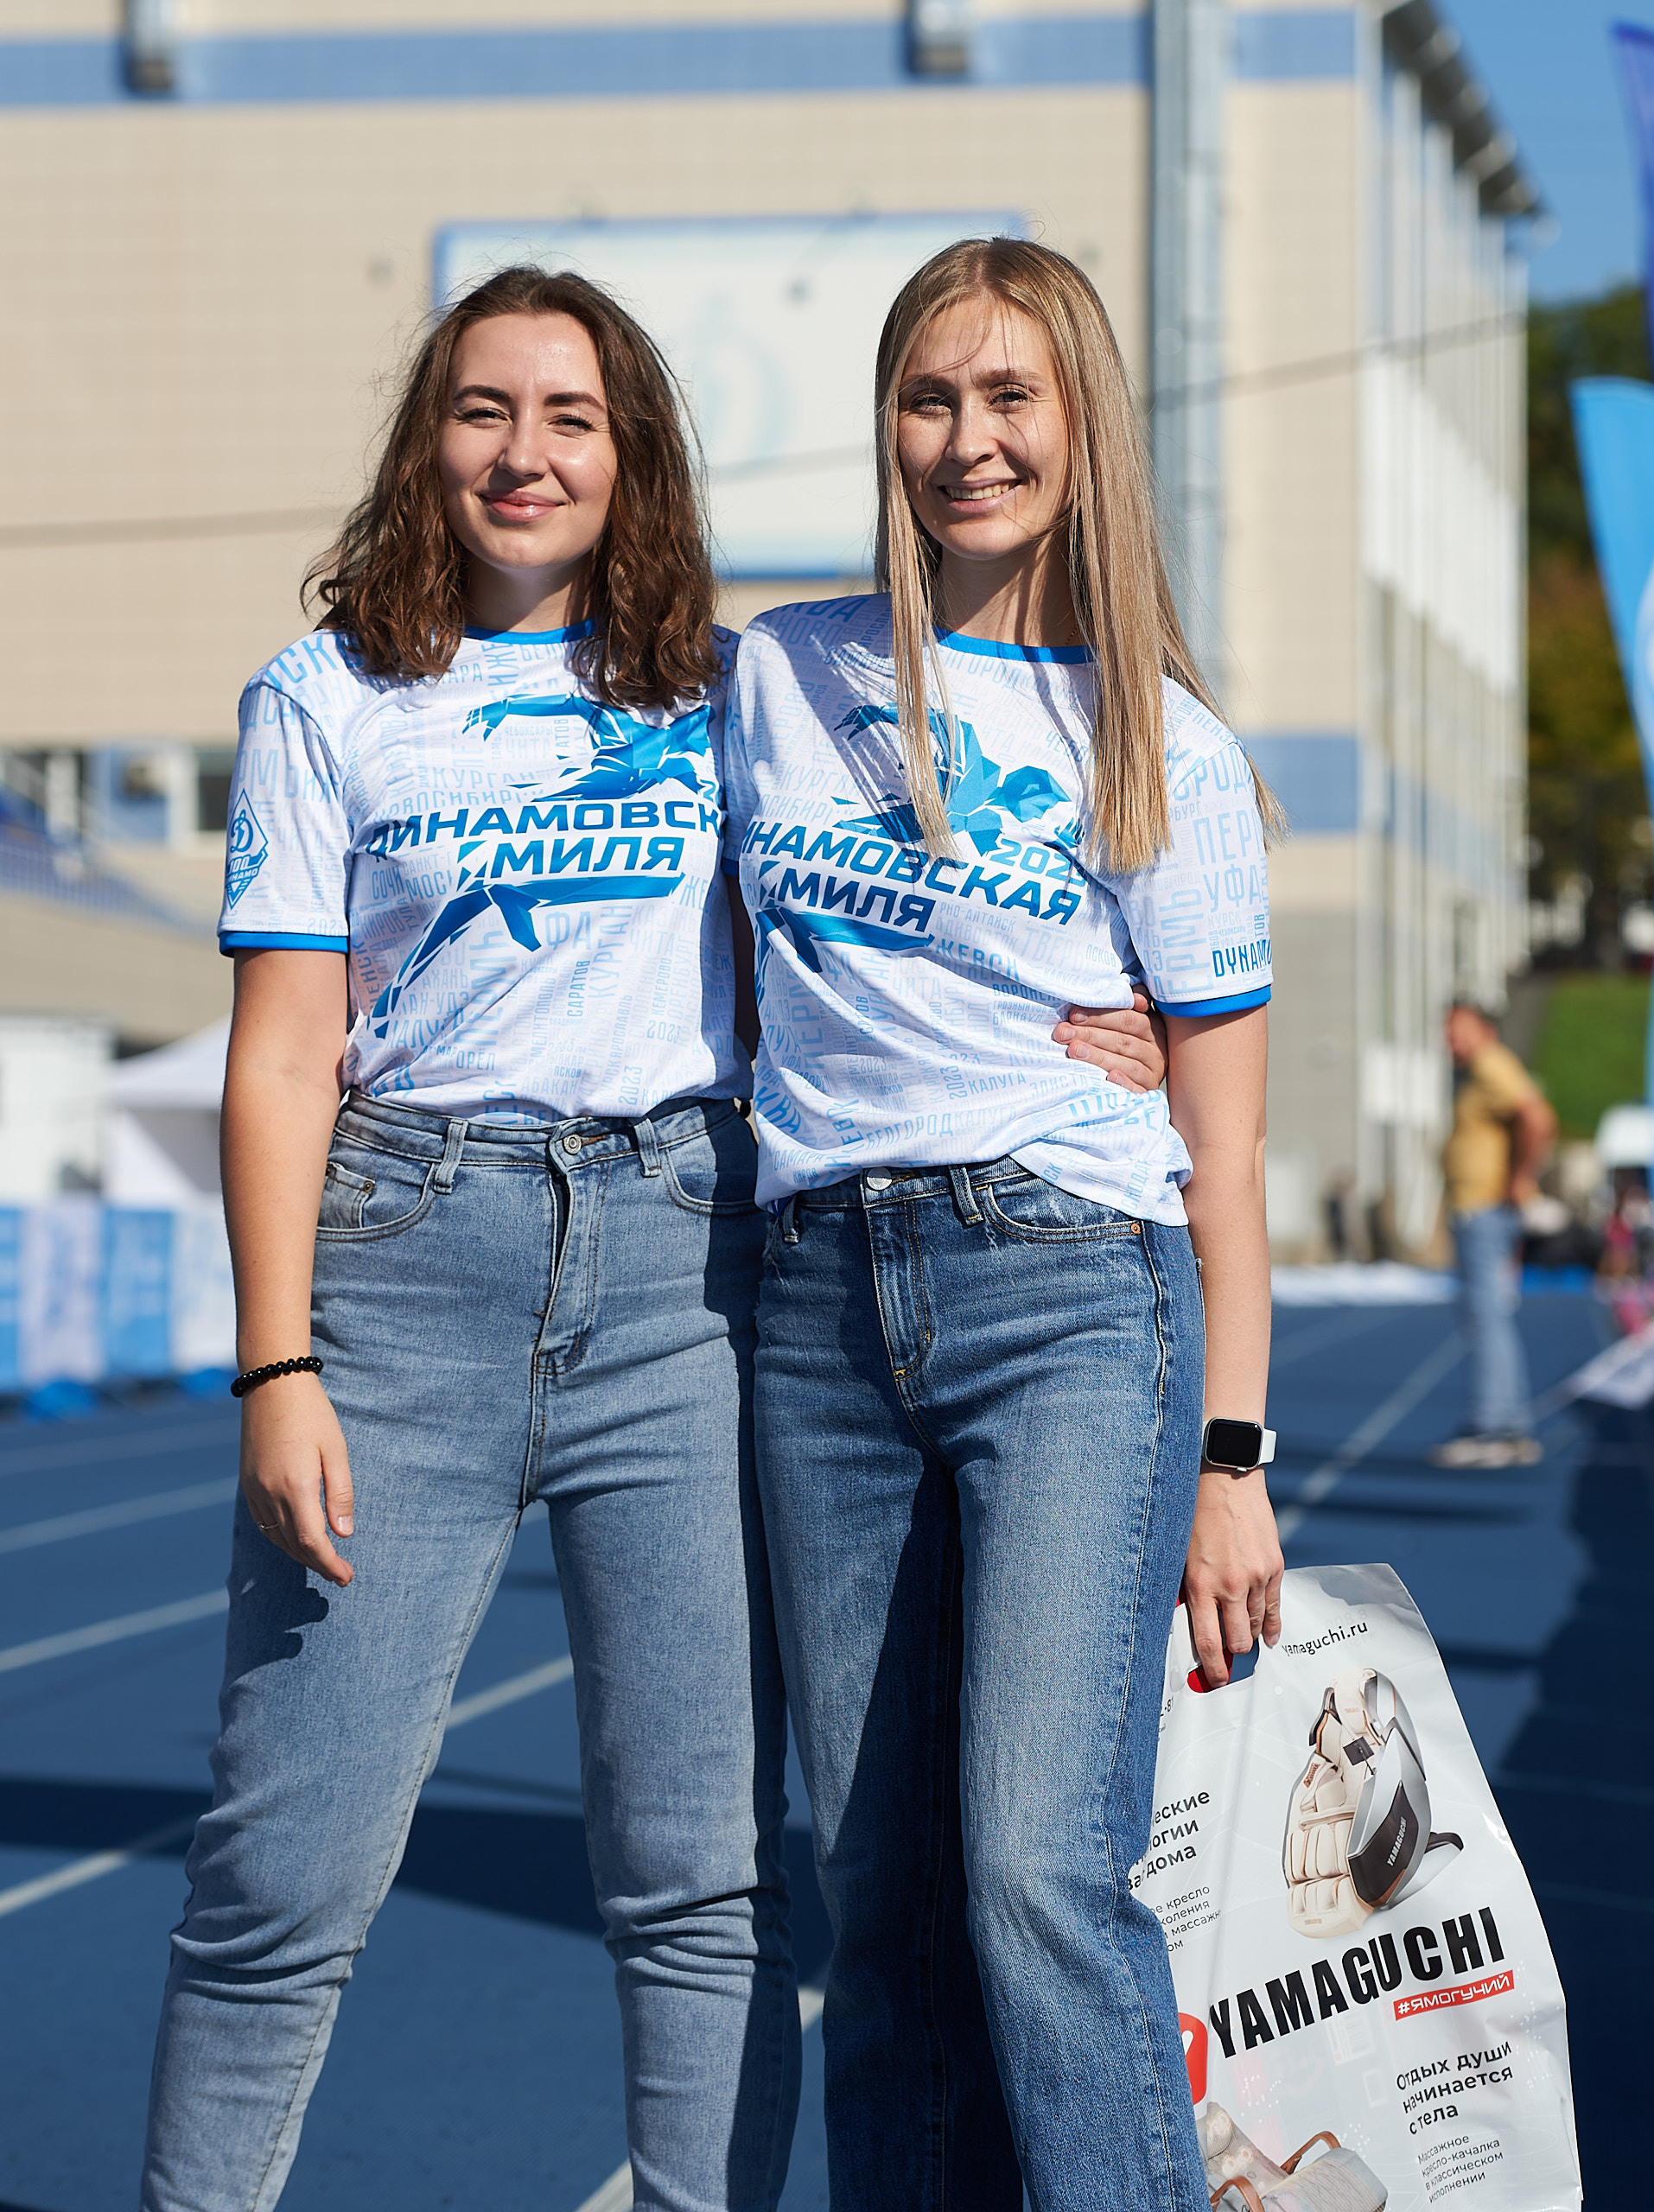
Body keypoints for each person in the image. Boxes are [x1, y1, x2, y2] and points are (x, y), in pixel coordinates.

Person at [140, 263, 1173, 2212]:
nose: (519, 453)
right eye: (480, 410)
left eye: (568, 418)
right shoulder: (326, 695)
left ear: (632, 464)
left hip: (685, 1275)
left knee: (705, 1882)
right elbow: (279, 1059)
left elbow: (912, 904)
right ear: (423, 442)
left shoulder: (728, 688)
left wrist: (1113, 1012)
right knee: (284, 1866)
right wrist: (275, 1358)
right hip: (404, 1270)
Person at [724, 238, 1286, 2212]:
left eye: (1008, 400)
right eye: (927, 399)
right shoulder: (771, 680)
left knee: (1036, 1868)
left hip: (1064, 1297)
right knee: (870, 1896)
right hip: (811, 1318)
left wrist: (1229, 1454)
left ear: (1082, 428)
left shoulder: (1168, 750)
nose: (965, 443)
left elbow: (1223, 1159)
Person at [1429, 999, 1557, 1469]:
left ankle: (1493, 1426)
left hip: (1485, 1209)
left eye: (1458, 1029)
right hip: (1477, 1208)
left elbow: (1537, 1118)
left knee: (1486, 1316)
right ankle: (1506, 1421)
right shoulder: (1476, 1071)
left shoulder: (1491, 1065)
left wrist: (1519, 1179)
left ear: (1483, 1029)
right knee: (1487, 1315)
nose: (1451, 1040)